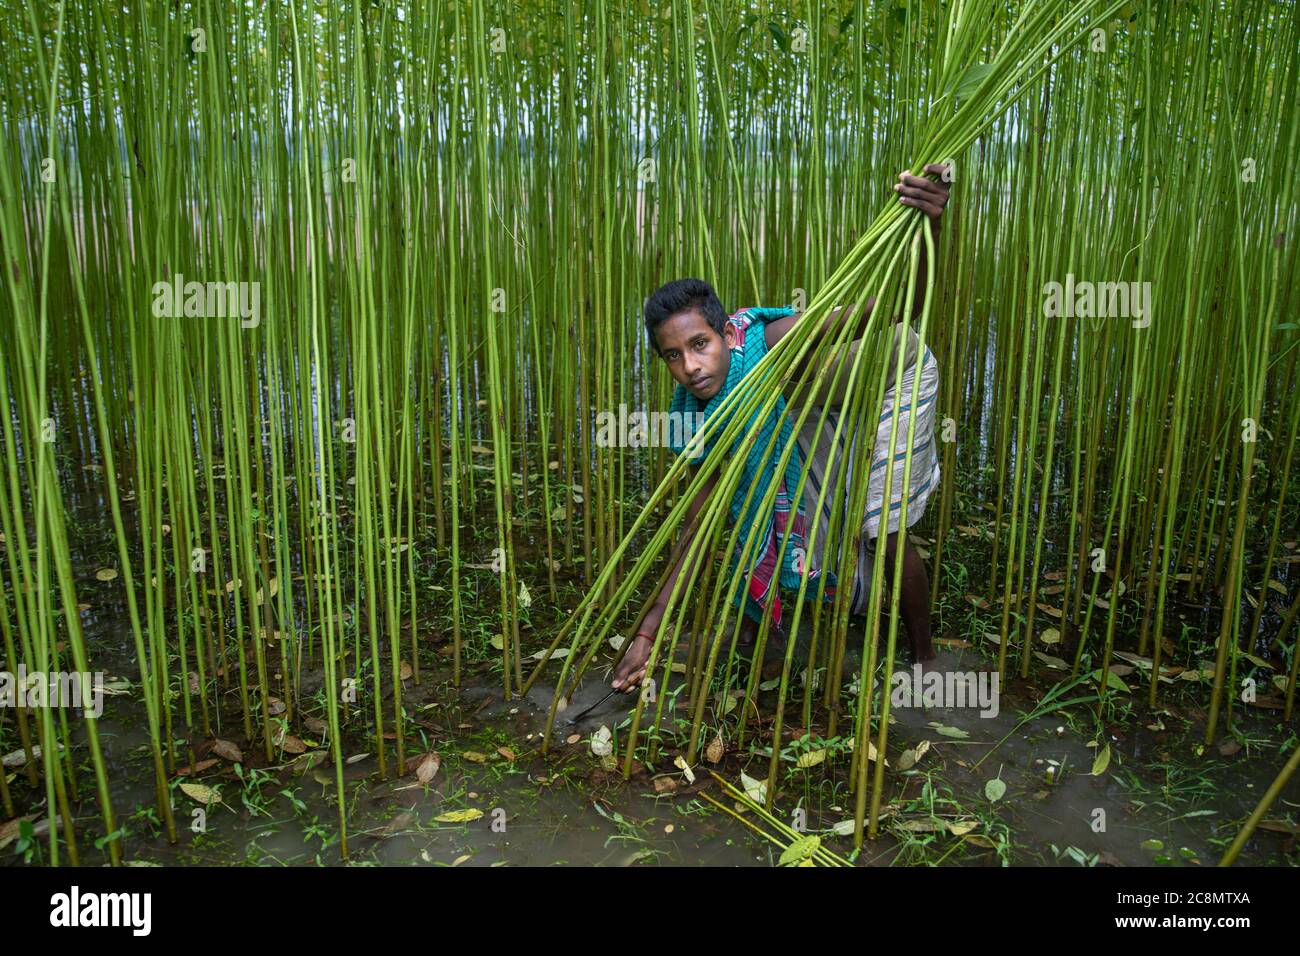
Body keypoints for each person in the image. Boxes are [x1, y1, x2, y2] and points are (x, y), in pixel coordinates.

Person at [611, 166, 951, 693]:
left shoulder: (774, 340)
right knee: (769, 490)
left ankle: (925, 655)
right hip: (821, 402)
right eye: (673, 357)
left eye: (700, 345)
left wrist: (928, 227)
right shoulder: (699, 407)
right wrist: (648, 634)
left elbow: (892, 309)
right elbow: (699, 520)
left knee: (879, 523)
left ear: (727, 334)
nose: (692, 367)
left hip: (894, 376)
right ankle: (754, 628)